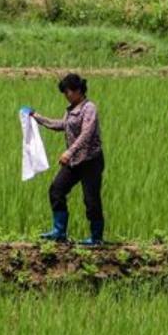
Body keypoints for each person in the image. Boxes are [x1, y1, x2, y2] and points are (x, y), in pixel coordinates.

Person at [30, 74, 106, 246]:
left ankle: (96, 238)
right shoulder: (71, 109)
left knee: (91, 199)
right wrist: (37, 117)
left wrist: (69, 152)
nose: (66, 95)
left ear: (78, 90)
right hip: (75, 161)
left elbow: (87, 133)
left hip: (90, 161)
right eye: (64, 92)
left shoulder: (89, 108)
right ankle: (59, 232)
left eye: (67, 91)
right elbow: (61, 125)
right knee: (56, 189)